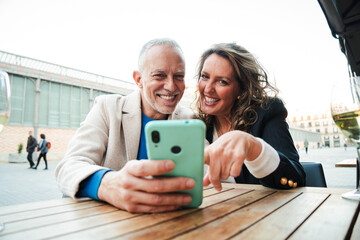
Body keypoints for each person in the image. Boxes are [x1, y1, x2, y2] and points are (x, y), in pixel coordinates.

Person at [55, 38, 195, 213]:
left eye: (179, 76)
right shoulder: (107, 108)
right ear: (138, 79)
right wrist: (109, 185)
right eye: (159, 75)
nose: (171, 86)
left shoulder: (190, 120)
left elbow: (210, 174)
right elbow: (68, 168)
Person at [195, 43, 306, 191]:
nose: (208, 89)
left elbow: (296, 179)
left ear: (242, 88)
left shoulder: (267, 112)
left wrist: (253, 147)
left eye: (222, 81)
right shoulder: (199, 126)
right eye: (204, 77)